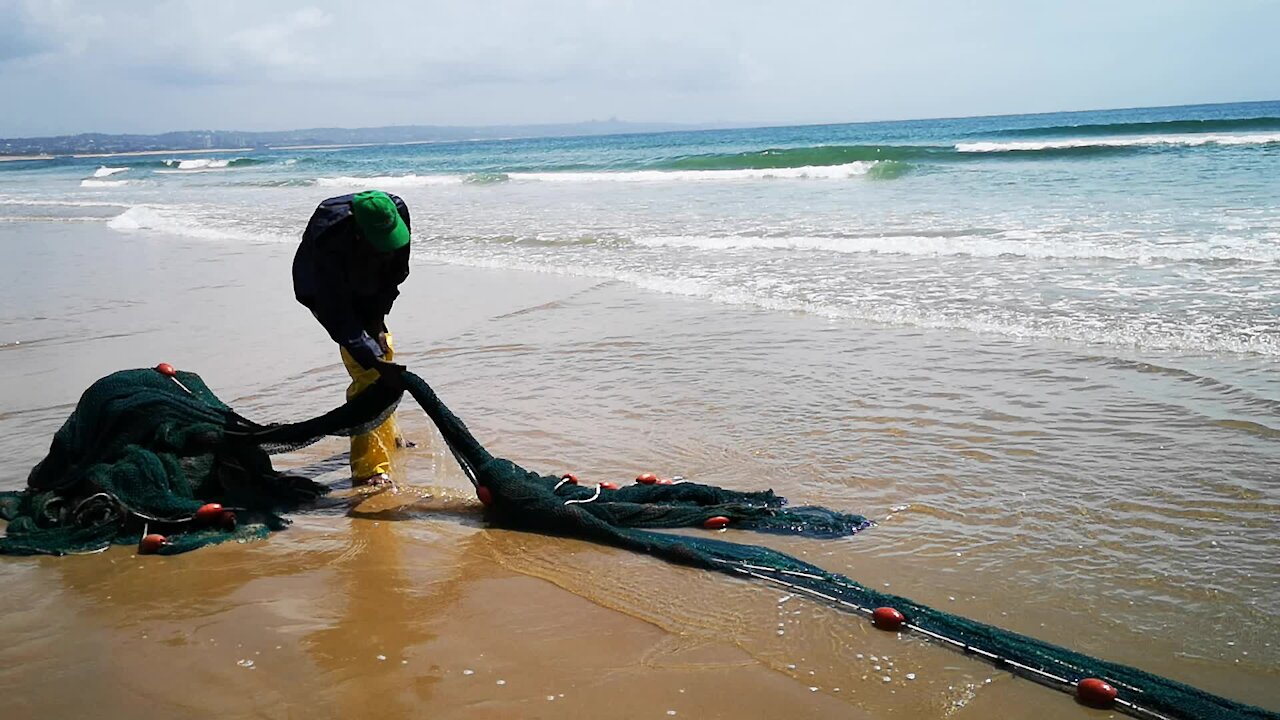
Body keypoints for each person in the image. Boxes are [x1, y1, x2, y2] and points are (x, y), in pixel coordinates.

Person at [293, 190, 412, 486]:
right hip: (327, 294)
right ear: (358, 231)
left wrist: (377, 322)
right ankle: (369, 468)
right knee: (368, 372)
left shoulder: (394, 211)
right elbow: (337, 313)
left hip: (367, 282)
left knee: (386, 354)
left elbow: (396, 272)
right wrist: (367, 350)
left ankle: (388, 435)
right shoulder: (328, 240)